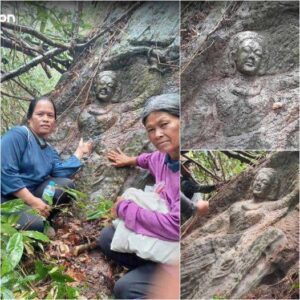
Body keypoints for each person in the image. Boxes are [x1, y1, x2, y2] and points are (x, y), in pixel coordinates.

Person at [96, 93, 180, 299]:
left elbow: (176, 227)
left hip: (176, 246)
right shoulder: (163, 157)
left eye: (164, 124)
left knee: (125, 289)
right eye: (151, 130)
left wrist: (125, 208)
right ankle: (151, 267)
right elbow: (149, 159)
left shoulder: (184, 176)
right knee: (107, 238)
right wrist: (129, 160)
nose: (157, 134)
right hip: (160, 243)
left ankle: (167, 282)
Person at [1, 96, 93, 232]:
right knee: (34, 225)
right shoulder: (19, 135)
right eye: (40, 114)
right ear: (29, 118)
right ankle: (35, 222)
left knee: (66, 186)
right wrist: (33, 201)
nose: (45, 119)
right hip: (6, 198)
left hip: (28, 196)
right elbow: (5, 172)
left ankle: (43, 219)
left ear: (54, 121)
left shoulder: (48, 149)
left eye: (50, 115)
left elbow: (59, 172)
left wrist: (80, 152)